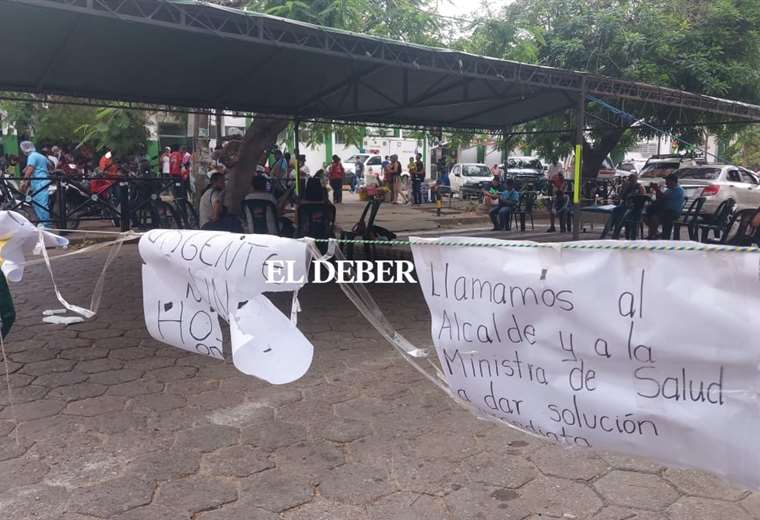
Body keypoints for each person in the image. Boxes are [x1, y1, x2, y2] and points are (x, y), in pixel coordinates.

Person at [20, 141, 51, 225]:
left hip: (39, 182)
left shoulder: (32, 156)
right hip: (43, 181)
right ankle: (43, 223)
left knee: (41, 205)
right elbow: (50, 165)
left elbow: (30, 169)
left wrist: (24, 181)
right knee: (37, 203)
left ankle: (46, 225)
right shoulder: (40, 156)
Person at [646, 173, 684, 239]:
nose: (666, 183)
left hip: (672, 212)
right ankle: (654, 233)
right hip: (666, 211)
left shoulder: (678, 190)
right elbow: (660, 198)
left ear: (673, 181)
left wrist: (657, 189)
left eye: (667, 181)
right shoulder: (669, 190)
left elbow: (663, 198)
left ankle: (656, 234)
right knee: (648, 213)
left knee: (654, 217)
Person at [611, 174, 644, 239]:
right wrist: (623, 191)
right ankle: (614, 232)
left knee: (625, 219)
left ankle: (618, 233)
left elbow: (642, 198)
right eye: (630, 180)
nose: (631, 182)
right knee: (616, 212)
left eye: (633, 180)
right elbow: (620, 197)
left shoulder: (639, 187)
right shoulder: (626, 186)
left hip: (635, 208)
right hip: (625, 206)